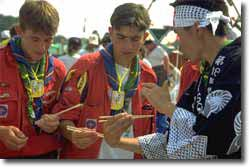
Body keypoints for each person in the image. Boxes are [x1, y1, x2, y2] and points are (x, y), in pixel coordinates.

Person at [102, 0, 241, 159]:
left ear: (198, 29)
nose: (179, 45)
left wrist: (168, 107)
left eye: (179, 34)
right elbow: (172, 143)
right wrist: (117, 141)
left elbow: (215, 140)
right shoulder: (205, 72)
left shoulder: (239, 64)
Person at [52, 3, 157, 159]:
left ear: (145, 37)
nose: (127, 46)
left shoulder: (148, 75)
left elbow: (150, 131)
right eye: (121, 37)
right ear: (111, 32)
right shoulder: (86, 67)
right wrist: (73, 134)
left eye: (135, 39)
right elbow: (64, 116)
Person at [0, 1, 66, 158]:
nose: (42, 48)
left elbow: (66, 113)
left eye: (48, 40)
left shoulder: (58, 69)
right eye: (35, 39)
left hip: (45, 155)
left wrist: (57, 122)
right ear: (19, 31)